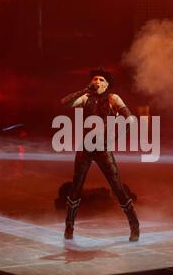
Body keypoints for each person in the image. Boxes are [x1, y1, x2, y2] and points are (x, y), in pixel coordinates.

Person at [60, 67, 140, 242]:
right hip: (85, 147)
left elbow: (130, 118)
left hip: (103, 147)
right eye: (94, 79)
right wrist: (85, 90)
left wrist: (116, 137)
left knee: (117, 187)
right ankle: (69, 228)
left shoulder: (113, 98)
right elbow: (65, 102)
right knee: (76, 187)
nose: (96, 82)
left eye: (100, 79)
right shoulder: (85, 97)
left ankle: (134, 226)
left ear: (107, 84)